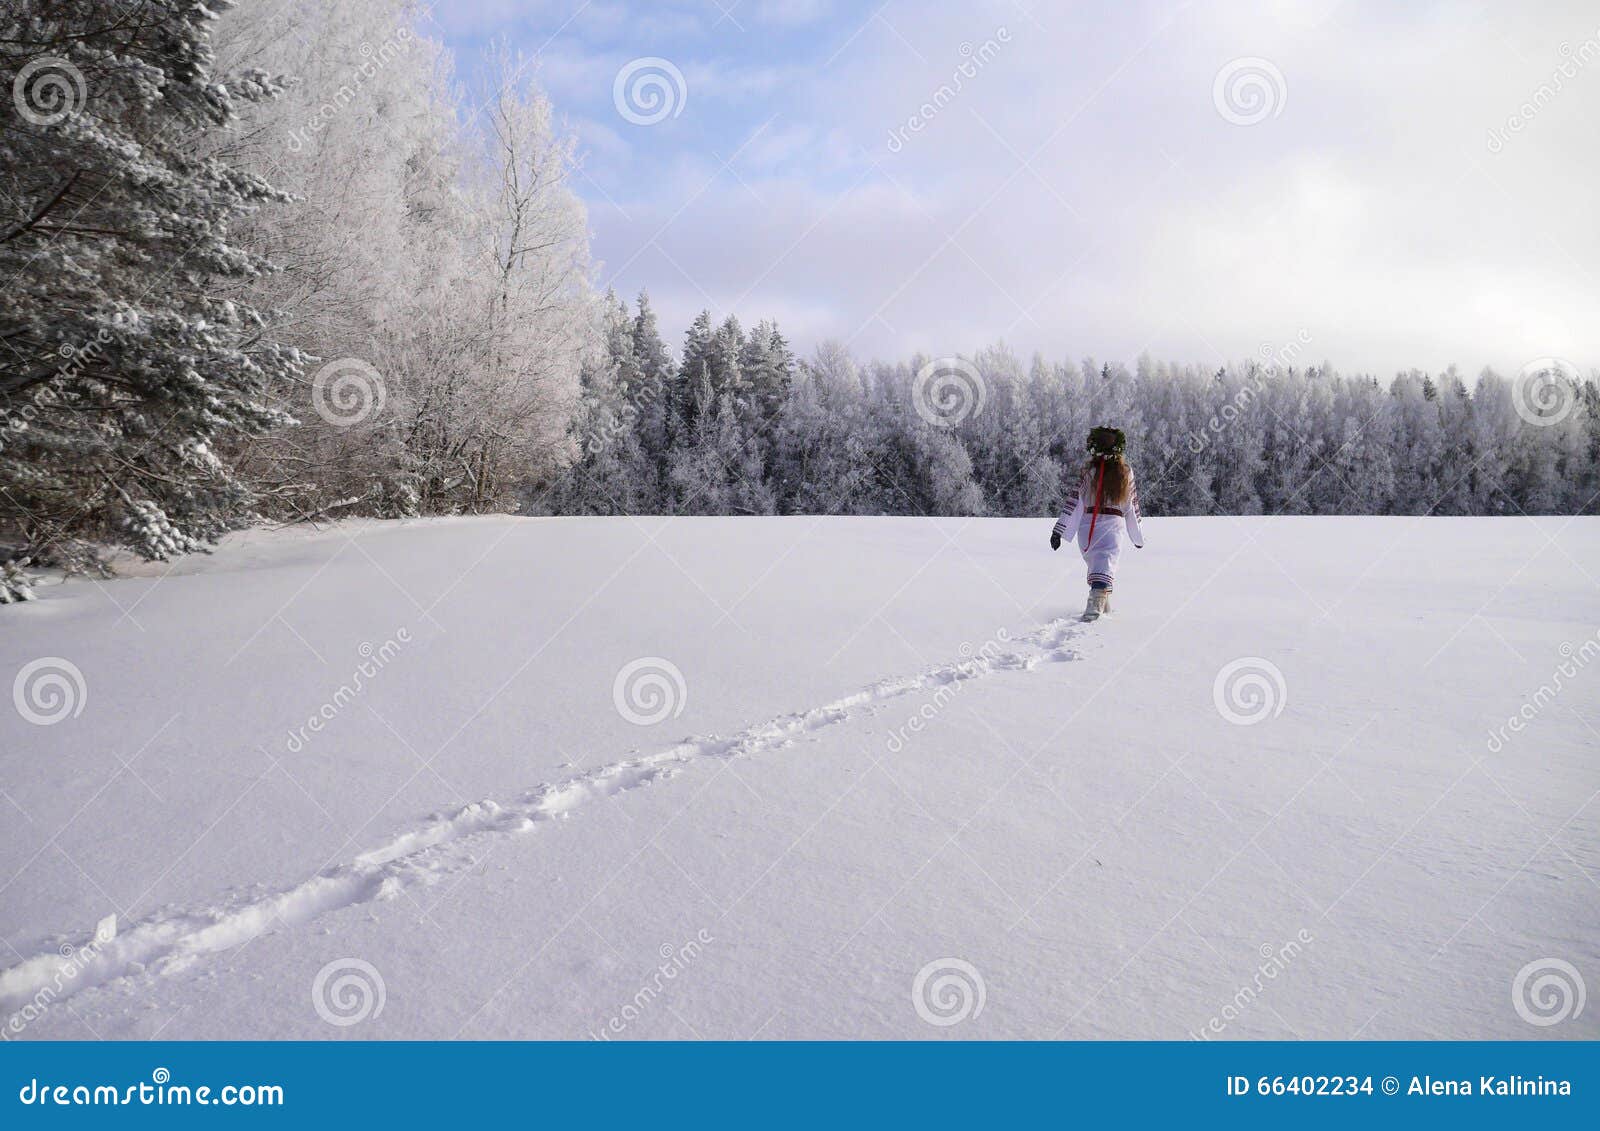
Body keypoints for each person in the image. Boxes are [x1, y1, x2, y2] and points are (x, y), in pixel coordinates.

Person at [1049, 426, 1145, 621]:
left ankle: (1103, 606)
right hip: (1111, 528)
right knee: (1104, 564)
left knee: (1100, 565)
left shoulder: (1090, 470)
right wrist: (1137, 536)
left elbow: (1075, 502)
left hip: (1089, 527)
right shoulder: (1124, 471)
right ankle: (1093, 612)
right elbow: (1132, 506)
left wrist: (1060, 530)